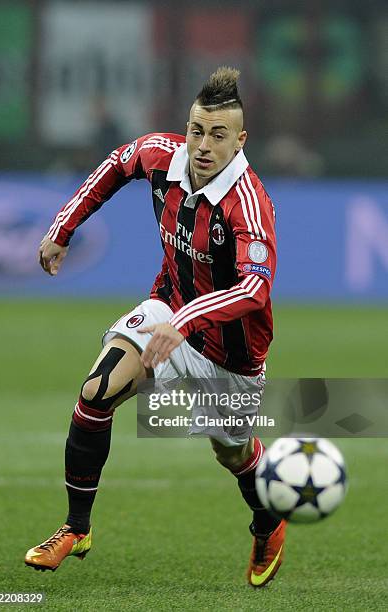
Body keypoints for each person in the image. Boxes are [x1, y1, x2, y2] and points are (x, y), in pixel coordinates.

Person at [25, 67, 286, 588]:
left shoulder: (249, 206)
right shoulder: (161, 156)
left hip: (230, 356)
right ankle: (77, 528)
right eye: (196, 130)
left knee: (232, 452)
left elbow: (255, 290)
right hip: (168, 307)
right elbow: (115, 166)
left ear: (240, 140)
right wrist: (63, 228)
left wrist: (187, 322)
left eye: (218, 135)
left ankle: (268, 522)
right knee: (96, 392)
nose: (203, 145)